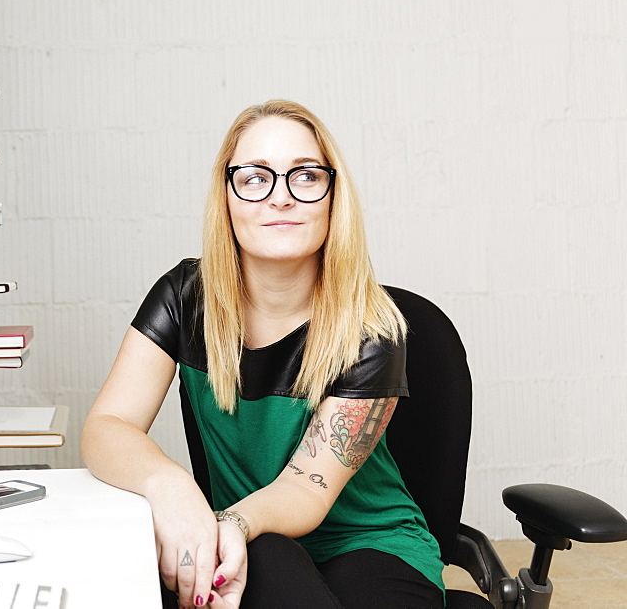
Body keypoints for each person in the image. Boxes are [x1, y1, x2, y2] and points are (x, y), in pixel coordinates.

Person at [80, 100, 444, 608]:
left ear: (332, 196)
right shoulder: (186, 299)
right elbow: (107, 425)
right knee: (270, 560)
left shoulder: (372, 327)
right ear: (226, 196)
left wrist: (229, 521)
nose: (280, 198)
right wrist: (172, 487)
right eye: (254, 178)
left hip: (372, 542)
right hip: (257, 539)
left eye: (305, 176)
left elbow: (305, 491)